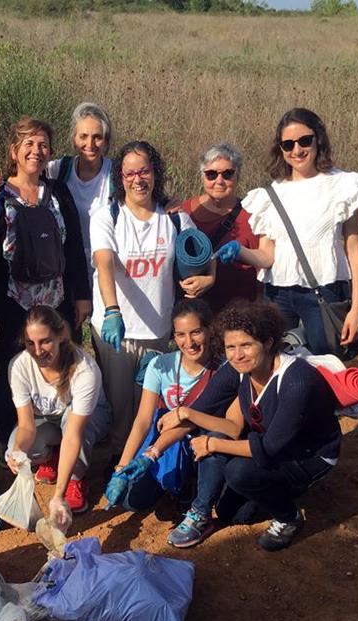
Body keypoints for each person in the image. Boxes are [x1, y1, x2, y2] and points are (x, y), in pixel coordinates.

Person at [161, 300, 342, 551]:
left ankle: (289, 517)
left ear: (268, 343)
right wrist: (151, 454)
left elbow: (268, 448)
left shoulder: (297, 380)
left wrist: (212, 444)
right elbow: (201, 408)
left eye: (246, 345)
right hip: (270, 442)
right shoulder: (237, 369)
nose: (237, 355)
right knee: (232, 514)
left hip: (308, 455)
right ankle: (264, 491)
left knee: (237, 472)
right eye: (230, 347)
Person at [0, 116, 92, 450]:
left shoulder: (58, 193)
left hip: (57, 301)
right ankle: (11, 445)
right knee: (12, 374)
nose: (36, 151)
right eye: (28, 143)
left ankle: (66, 442)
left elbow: (73, 247)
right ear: (14, 150)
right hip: (12, 304)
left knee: (64, 365)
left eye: (42, 145)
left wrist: (82, 296)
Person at [219, 108, 358, 356]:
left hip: (325, 290)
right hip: (278, 294)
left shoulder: (344, 186)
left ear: (318, 140)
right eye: (288, 144)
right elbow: (267, 256)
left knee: (329, 363)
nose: (297, 150)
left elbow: (354, 247)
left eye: (305, 141)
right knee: (276, 363)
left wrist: (357, 308)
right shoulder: (271, 195)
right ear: (280, 149)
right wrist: (241, 252)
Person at [89, 140, 207, 456]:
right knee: (120, 405)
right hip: (118, 333)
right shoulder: (107, 216)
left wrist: (208, 279)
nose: (137, 179)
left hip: (158, 332)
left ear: (155, 173)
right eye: (129, 173)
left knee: (152, 403)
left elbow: (199, 256)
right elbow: (103, 262)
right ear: (120, 177)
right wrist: (113, 310)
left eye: (144, 171)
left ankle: (145, 462)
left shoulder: (174, 218)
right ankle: (118, 461)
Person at [105, 300, 224, 530]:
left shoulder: (223, 368)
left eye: (196, 332)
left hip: (204, 440)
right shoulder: (160, 365)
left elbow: (205, 421)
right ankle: (173, 484)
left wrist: (151, 454)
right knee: (132, 500)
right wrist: (120, 469)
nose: (188, 342)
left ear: (209, 330)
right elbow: (142, 420)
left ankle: (194, 492)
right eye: (180, 334)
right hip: (169, 442)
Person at [0, 102, 114, 284]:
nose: (90, 144)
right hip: (67, 274)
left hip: (109, 271)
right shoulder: (59, 170)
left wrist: (166, 204)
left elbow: (143, 197)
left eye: (97, 137)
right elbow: (25, 175)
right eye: (83, 136)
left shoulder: (116, 176)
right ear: (74, 139)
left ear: (106, 140)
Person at [6, 306, 110, 521]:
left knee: (76, 425)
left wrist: (58, 496)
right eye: (30, 343)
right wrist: (18, 453)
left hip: (87, 421)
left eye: (45, 341)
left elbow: (73, 435)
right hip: (48, 420)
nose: (38, 350)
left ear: (61, 335)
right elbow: (26, 425)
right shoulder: (19, 366)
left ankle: (73, 478)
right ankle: (54, 457)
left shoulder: (84, 370)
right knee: (19, 450)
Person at [180, 143, 261, 315]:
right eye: (211, 174)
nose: (219, 181)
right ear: (202, 177)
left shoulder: (252, 215)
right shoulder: (184, 212)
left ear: (237, 176)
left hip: (239, 314)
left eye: (227, 174)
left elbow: (263, 266)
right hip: (195, 317)